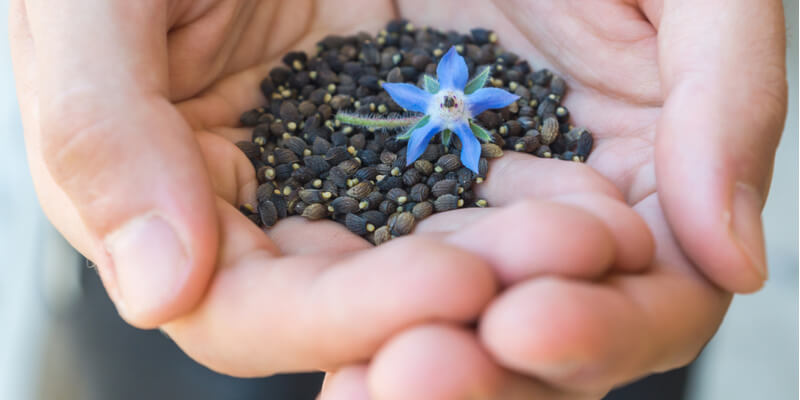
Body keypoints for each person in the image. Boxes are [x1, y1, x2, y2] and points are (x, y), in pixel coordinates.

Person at [10, 0, 787, 398]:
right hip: (199, 238)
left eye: (456, 108)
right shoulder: (408, 118)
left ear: (457, 103)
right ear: (433, 102)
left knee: (581, 331)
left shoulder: (464, 121)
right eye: (445, 108)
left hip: (583, 307)